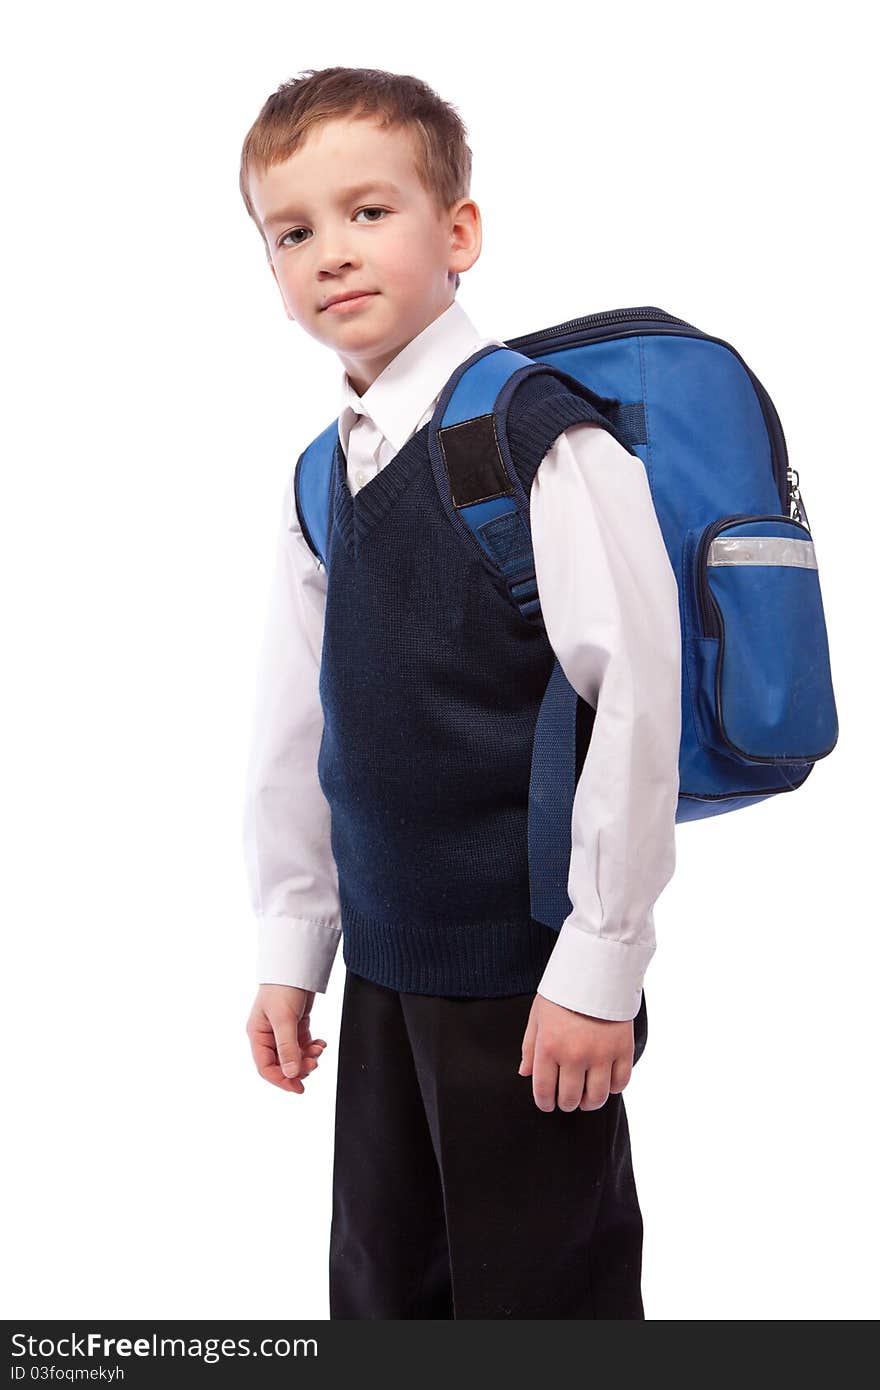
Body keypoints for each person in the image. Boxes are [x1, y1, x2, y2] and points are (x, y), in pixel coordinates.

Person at [239, 66, 682, 1319]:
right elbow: (300, 732)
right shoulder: (320, 477)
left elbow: (637, 700)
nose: (331, 252)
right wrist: (295, 943)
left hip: (526, 980)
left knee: (542, 1296)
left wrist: (599, 962)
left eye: (368, 211)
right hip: (380, 965)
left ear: (459, 233)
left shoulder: (535, 436)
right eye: (293, 230)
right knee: (390, 1290)